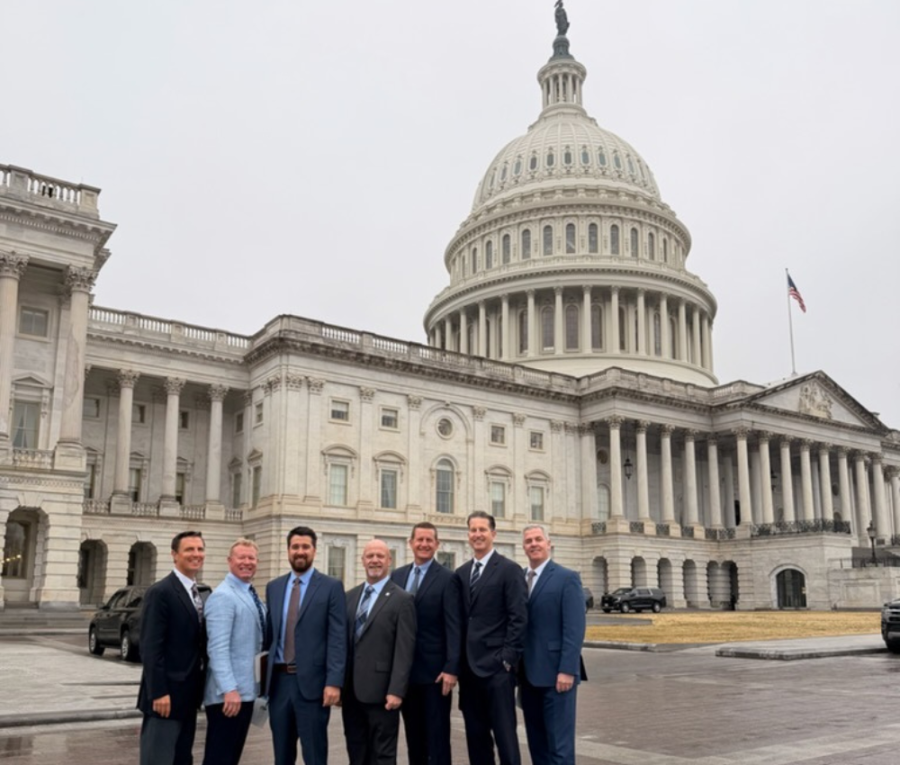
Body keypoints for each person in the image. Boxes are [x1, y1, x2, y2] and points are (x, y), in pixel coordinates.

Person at [266, 526, 347, 765]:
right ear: (288, 550)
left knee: (314, 755)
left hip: (313, 685)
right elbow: (270, 638)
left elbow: (337, 637)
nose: (300, 552)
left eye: (305, 547)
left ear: (314, 550)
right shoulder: (274, 587)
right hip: (279, 684)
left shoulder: (331, 587)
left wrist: (334, 682)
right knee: (282, 756)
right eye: (295, 547)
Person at [456, 511, 527, 765]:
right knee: (476, 740)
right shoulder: (462, 573)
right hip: (469, 672)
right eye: (473, 530)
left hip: (498, 671)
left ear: (493, 534)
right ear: (468, 535)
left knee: (505, 738)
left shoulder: (509, 570)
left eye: (482, 530)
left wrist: (507, 660)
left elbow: (518, 618)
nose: (477, 535)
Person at [390, 523, 461, 765]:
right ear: (411, 543)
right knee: (414, 738)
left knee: (437, 737)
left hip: (435, 674)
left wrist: (452, 667)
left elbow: (454, 626)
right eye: (419, 539)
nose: (424, 544)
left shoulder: (448, 578)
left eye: (429, 540)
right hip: (404, 674)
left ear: (437, 544)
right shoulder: (397, 576)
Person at [136, 530, 207, 765]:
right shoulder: (161, 592)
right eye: (189, 549)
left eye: (199, 549)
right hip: (165, 696)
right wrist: (158, 692)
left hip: (188, 695)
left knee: (181, 758)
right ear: (174, 555)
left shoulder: (200, 593)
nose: (196, 554)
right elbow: (151, 647)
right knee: (158, 758)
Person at [343, 539, 417, 765]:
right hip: (351, 693)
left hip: (383, 694)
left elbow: (405, 650)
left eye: (380, 556)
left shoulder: (403, 599)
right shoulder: (350, 596)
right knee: (356, 753)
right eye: (370, 556)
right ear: (363, 560)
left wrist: (397, 691)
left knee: (383, 756)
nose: (375, 560)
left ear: (389, 561)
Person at [520, 524, 586, 765]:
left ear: (549, 543)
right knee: (537, 745)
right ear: (524, 547)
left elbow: (574, 628)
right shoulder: (521, 578)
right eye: (529, 541)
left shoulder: (566, 578)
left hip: (558, 676)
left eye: (538, 539)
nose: (534, 544)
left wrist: (567, 669)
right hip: (528, 677)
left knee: (560, 747)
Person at [201, 538, 267, 765]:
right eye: (242, 557)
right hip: (228, 696)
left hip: (246, 691)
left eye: (251, 558)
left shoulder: (250, 594)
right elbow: (217, 648)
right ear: (230, 561)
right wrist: (229, 689)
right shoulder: (223, 596)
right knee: (219, 758)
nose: (247, 562)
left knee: (231, 757)